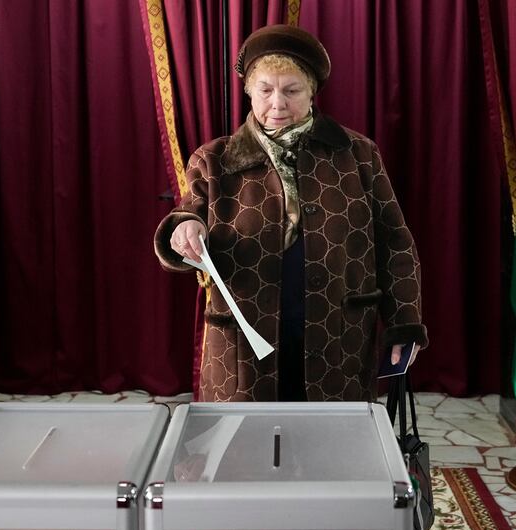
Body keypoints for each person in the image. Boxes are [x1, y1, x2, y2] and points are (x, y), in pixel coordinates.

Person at [154, 25, 427, 402]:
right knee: (244, 452)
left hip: (338, 337)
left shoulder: (358, 154)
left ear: (313, 92)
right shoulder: (213, 159)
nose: (277, 104)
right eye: (265, 90)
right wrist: (185, 228)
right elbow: (189, 213)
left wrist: (405, 324)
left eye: (292, 90)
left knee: (328, 451)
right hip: (246, 345)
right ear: (249, 91)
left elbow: (395, 243)